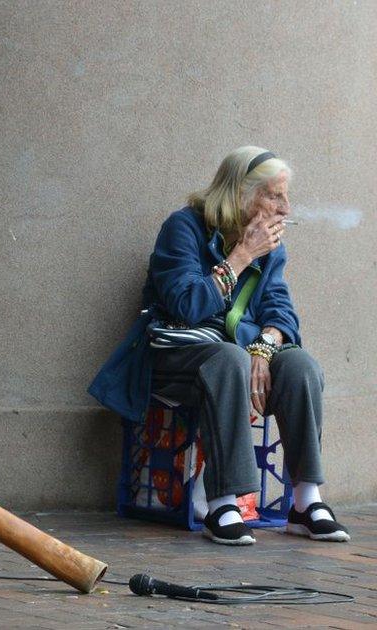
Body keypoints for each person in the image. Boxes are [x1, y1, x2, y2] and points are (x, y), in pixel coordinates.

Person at [89, 146, 349, 545]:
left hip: (238, 353)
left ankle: (305, 500)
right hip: (175, 355)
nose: (285, 207)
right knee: (229, 359)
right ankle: (222, 502)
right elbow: (186, 304)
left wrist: (264, 348)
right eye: (274, 195)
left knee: (301, 367)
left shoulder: (271, 246)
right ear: (241, 194)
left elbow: (282, 313)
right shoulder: (184, 227)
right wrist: (243, 254)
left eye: (285, 196)